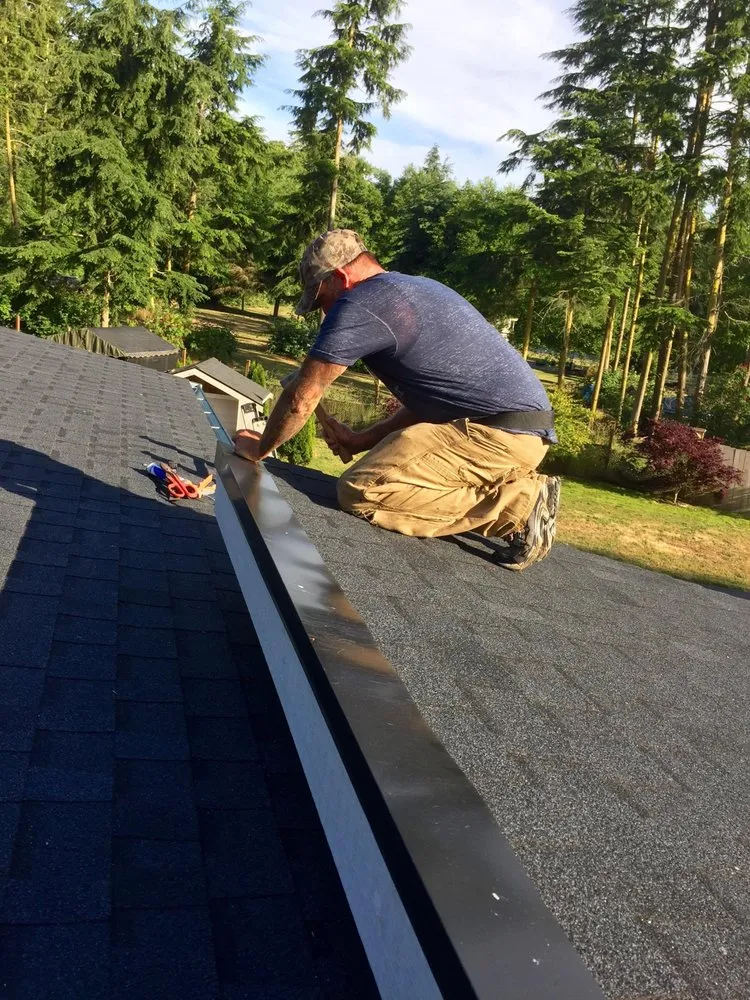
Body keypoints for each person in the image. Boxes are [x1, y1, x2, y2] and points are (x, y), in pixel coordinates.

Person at [234, 229, 560, 570]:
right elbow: (430, 403)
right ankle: (512, 492)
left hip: (497, 436)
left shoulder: (361, 302)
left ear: (341, 277)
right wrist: (362, 440)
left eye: (321, 299)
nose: (324, 313)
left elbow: (303, 397)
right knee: (384, 473)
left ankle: (519, 506)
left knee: (360, 491)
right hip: (520, 433)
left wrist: (259, 450)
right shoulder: (417, 288)